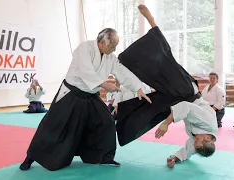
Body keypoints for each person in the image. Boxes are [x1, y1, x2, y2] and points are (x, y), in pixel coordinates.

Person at [19, 28, 152, 171]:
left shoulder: (110, 57)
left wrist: (137, 87)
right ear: (101, 43)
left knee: (106, 122)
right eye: (112, 46)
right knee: (53, 125)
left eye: (115, 46)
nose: (114, 50)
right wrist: (104, 84)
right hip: (71, 93)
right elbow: (85, 71)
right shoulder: (84, 48)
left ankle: (104, 157)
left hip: (90, 95)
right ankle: (31, 157)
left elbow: (121, 71)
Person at [115, 5, 204, 147]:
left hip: (182, 95)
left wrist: (166, 123)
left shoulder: (201, 129)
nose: (197, 139)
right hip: (185, 91)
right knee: (165, 59)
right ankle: (125, 121)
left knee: (153, 107)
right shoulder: (205, 122)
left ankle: (126, 122)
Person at [155, 93, 218, 168]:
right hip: (188, 93)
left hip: (179, 100)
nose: (194, 139)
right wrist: (166, 123)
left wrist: (174, 158)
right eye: (197, 139)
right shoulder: (207, 121)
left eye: (195, 141)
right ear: (207, 138)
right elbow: (185, 106)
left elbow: (188, 151)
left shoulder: (200, 143)